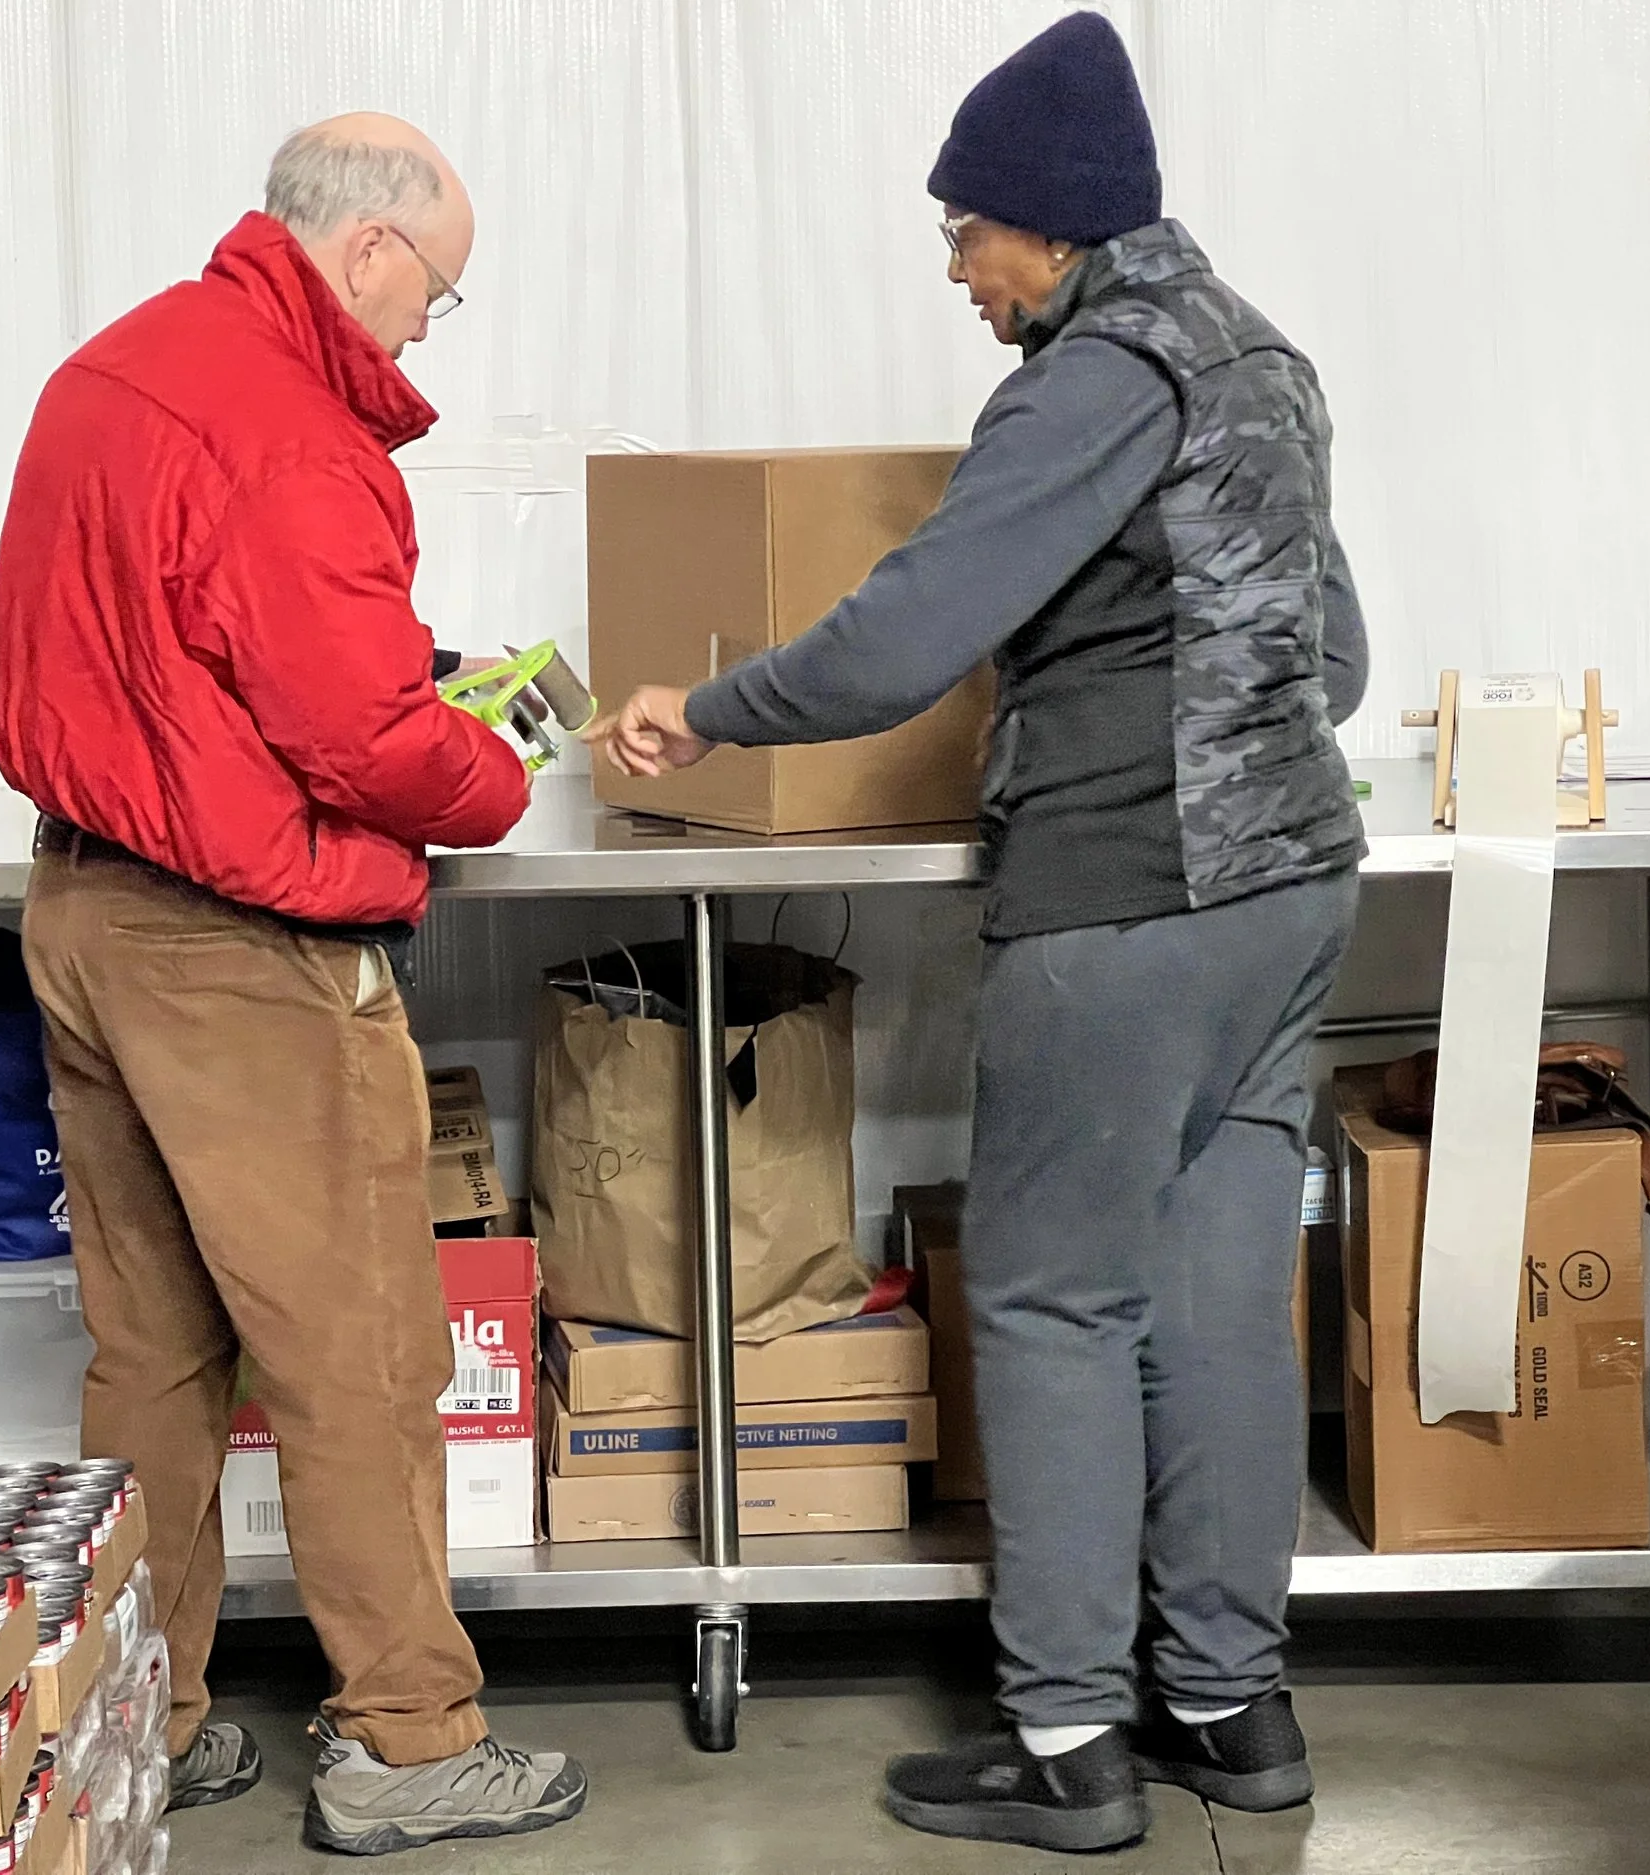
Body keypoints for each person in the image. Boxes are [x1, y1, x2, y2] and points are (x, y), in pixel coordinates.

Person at [593, 15, 1366, 1854]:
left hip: (1127, 898)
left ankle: (1071, 1739)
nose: (955, 270)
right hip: (1292, 892)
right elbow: (1337, 657)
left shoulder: (1091, 378)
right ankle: (1232, 1709)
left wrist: (711, 711)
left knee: (1049, 1303)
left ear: (1054, 222)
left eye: (965, 232)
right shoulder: (1266, 359)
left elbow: (907, 629)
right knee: (1214, 1308)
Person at [0, 115, 588, 1856]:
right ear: (374, 249)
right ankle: (409, 1740)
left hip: (84, 914)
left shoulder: (112, 371)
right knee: (361, 1357)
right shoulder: (290, 429)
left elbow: (184, 648)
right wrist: (491, 770)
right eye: (438, 294)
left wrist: (397, 680)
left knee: (153, 1355)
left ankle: (142, 1716)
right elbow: (359, 735)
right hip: (241, 953)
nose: (424, 333)